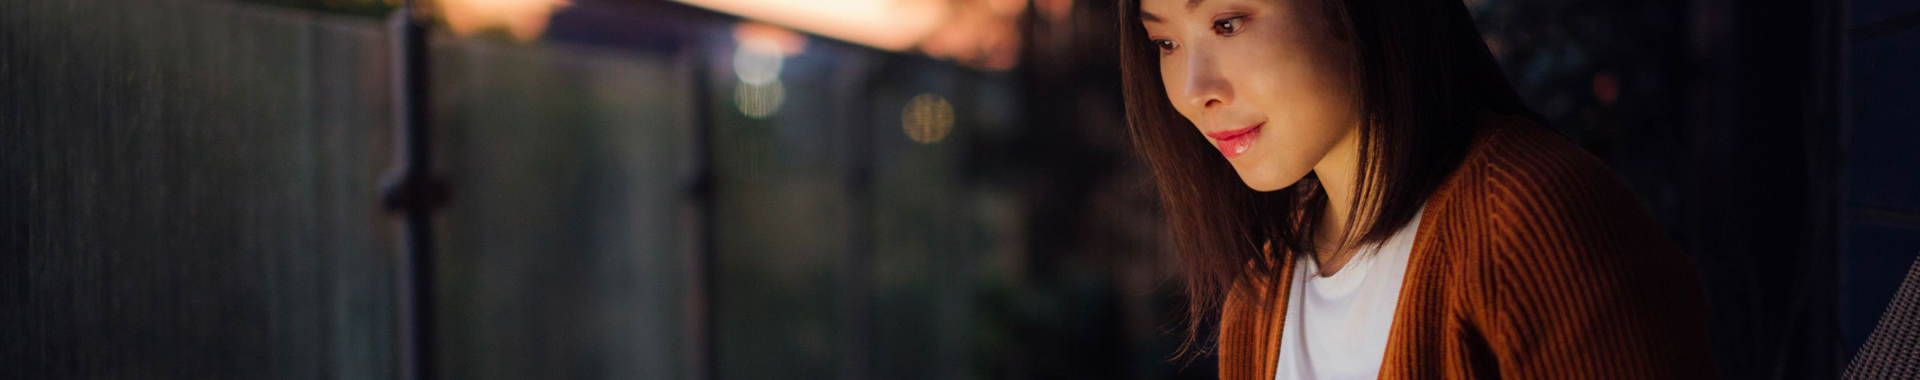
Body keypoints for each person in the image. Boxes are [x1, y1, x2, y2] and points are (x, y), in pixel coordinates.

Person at [1118, 0, 1718, 378]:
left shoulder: (1528, 217)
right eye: (1165, 43)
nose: (1193, 89)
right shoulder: (1260, 296)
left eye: (1227, 24)